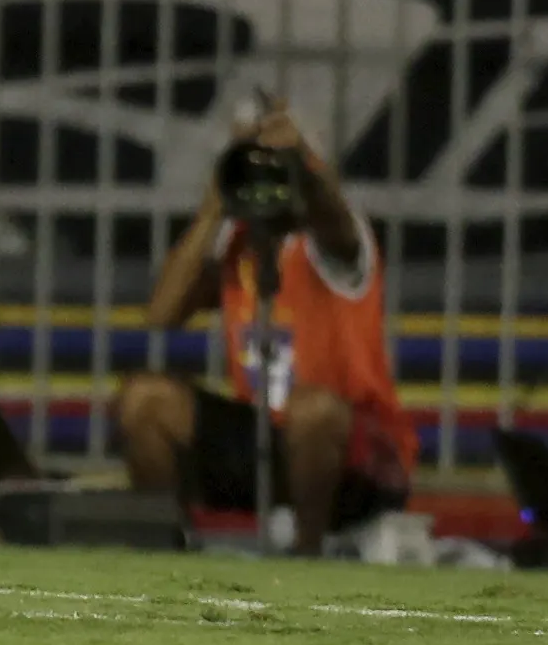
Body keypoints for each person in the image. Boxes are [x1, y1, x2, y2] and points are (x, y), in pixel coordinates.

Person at [108, 98, 415, 553]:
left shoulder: (338, 241)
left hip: (357, 452)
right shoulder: (238, 248)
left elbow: (330, 213)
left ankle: (305, 554)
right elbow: (161, 314)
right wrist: (215, 204)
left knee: (311, 409)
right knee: (144, 399)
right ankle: (164, 550)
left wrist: (301, 166)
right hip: (266, 441)